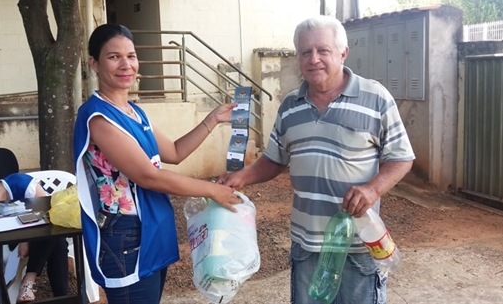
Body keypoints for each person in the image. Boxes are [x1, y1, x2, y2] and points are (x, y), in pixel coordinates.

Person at [217, 16, 415, 304]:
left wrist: (372, 190)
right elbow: (274, 159)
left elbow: (401, 157)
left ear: (343, 52)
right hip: (307, 245)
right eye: (306, 52)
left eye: (323, 50)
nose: (314, 59)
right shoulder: (289, 106)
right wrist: (242, 177)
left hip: (358, 244)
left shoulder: (376, 98)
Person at [73, 23, 240, 304]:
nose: (126, 64)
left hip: (151, 225)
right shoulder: (98, 118)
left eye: (131, 55)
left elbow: (174, 152)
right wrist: (211, 190)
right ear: (94, 63)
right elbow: (148, 177)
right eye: (114, 57)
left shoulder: (135, 112)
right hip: (125, 234)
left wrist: (212, 120)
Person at [0, 172, 68, 303]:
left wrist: (25, 239)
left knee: (55, 239)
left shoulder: (22, 183)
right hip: (13, 237)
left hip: (39, 230)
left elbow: (48, 212)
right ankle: (61, 297)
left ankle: (29, 280)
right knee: (56, 240)